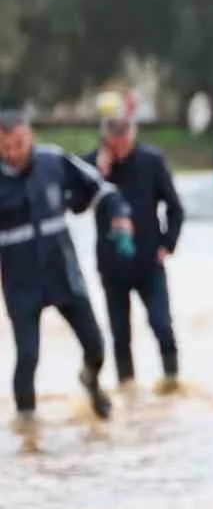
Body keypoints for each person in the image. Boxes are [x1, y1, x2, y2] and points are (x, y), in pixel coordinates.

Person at [0, 107, 131, 424]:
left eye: (19, 144)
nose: (13, 153)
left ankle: (90, 380)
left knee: (96, 346)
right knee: (28, 358)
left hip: (63, 275)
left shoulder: (54, 161)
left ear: (30, 136)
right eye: (5, 147)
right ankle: (27, 430)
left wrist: (120, 216)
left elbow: (102, 189)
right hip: (21, 284)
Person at [83, 114, 184, 391]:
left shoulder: (151, 161)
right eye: (114, 145)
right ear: (106, 140)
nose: (120, 150)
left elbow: (175, 208)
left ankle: (172, 380)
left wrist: (167, 244)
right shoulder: (92, 165)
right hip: (112, 265)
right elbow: (75, 201)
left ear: (133, 135)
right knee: (120, 336)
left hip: (149, 260)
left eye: (125, 143)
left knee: (162, 325)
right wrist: (97, 172)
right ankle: (127, 390)